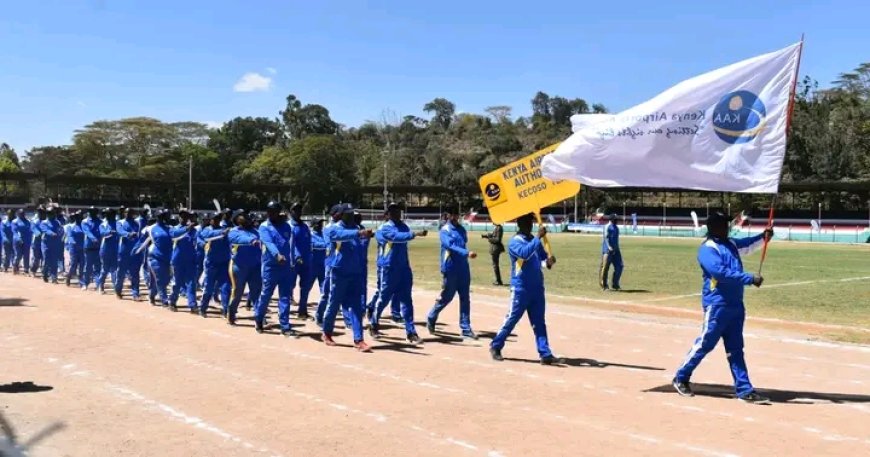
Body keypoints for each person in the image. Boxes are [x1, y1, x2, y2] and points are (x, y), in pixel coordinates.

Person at [672, 212, 773, 404]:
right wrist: (748, 278)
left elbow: (749, 244)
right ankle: (681, 377)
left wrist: (764, 237)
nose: (729, 227)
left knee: (736, 349)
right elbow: (720, 272)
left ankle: (744, 389)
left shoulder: (731, 244)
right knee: (705, 343)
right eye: (725, 225)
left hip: (736, 304)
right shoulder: (707, 249)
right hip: (717, 304)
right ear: (715, 227)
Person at [489, 213, 561, 365]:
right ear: (519, 225)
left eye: (530, 223)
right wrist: (538, 238)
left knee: (539, 322)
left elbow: (541, 260)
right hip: (521, 288)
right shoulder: (515, 242)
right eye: (526, 223)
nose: (529, 225)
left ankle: (545, 353)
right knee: (512, 319)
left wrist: (548, 262)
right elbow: (525, 254)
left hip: (537, 288)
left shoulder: (534, 241)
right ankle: (496, 345)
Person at [368, 202, 428, 343]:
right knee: (384, 298)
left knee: (407, 300)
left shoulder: (403, 226)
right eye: (394, 210)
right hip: (388, 268)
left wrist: (411, 233)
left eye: (399, 210)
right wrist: (415, 234)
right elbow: (396, 237)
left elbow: (403, 236)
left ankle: (410, 332)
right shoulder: (384, 228)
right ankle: (373, 324)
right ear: (388, 214)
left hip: (403, 268)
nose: (398, 213)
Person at [322, 205, 373, 351]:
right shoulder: (334, 228)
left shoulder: (356, 228)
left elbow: (361, 248)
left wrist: (365, 237)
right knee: (334, 303)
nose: (351, 216)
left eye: (352, 214)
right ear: (342, 215)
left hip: (355, 272)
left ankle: (359, 339)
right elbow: (340, 235)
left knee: (357, 306)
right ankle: (327, 332)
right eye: (348, 214)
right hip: (339, 272)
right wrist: (359, 233)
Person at [427, 205, 478, 339]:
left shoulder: (462, 230)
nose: (455, 217)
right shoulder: (445, 230)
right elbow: (450, 246)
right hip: (450, 268)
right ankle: (432, 316)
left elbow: (463, 243)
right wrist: (466, 253)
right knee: (447, 297)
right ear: (448, 215)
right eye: (453, 214)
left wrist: (465, 255)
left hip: (463, 268)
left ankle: (465, 328)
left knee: (465, 298)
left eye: (457, 214)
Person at [256, 201, 296, 336]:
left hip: (285, 266)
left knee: (285, 296)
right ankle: (259, 319)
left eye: (274, 211)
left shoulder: (286, 226)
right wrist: (277, 255)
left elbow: (289, 243)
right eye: (269, 211)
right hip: (270, 266)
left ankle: (285, 325)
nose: (271, 214)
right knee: (266, 295)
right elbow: (268, 242)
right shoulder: (264, 226)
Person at [315, 204, 349, 327]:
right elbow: (330, 245)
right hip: (330, 264)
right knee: (327, 293)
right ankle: (319, 316)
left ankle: (348, 320)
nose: (342, 215)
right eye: (340, 213)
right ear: (334, 214)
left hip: (341, 264)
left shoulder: (343, 226)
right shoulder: (329, 228)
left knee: (343, 293)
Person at [227, 210, 262, 326]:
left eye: (245, 216)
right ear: (236, 219)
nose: (244, 218)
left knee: (256, 292)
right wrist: (252, 241)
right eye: (241, 216)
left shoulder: (255, 231)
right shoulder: (233, 232)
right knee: (237, 292)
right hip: (238, 266)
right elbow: (239, 239)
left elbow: (262, 242)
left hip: (255, 267)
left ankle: (259, 316)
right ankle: (231, 313)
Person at [198, 212, 231, 318]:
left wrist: (227, 232)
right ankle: (203, 308)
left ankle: (226, 310)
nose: (216, 220)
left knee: (226, 287)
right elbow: (206, 236)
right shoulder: (207, 230)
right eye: (214, 218)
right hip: (211, 263)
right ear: (210, 220)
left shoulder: (224, 230)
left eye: (218, 218)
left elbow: (230, 241)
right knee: (208, 287)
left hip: (224, 263)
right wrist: (222, 232)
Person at [288, 202, 315, 320]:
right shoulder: (289, 226)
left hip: (307, 261)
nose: (298, 212)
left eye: (299, 210)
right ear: (291, 212)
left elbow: (309, 242)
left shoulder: (305, 227)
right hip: (294, 262)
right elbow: (290, 245)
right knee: (289, 285)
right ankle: (285, 310)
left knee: (305, 286)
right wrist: (295, 256)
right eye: (295, 210)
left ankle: (302, 310)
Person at [169, 210, 199, 313]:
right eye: (182, 216)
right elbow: (173, 235)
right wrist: (187, 228)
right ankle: (172, 301)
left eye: (186, 216)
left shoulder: (194, 231)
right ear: (179, 217)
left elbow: (198, 241)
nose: (184, 218)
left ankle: (192, 305)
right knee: (177, 283)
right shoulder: (174, 229)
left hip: (190, 261)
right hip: (178, 261)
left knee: (191, 284)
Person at [146, 209, 173, 308]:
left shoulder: (169, 228)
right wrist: (137, 249)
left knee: (166, 280)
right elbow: (142, 239)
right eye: (161, 216)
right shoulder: (151, 228)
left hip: (167, 258)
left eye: (164, 216)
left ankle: (152, 294)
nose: (163, 218)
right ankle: (164, 300)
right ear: (157, 217)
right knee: (160, 279)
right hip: (155, 258)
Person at [115, 207, 143, 301]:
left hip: (134, 252)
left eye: (129, 212)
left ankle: (135, 293)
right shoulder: (120, 222)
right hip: (123, 252)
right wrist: (128, 234)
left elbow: (140, 236)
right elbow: (119, 231)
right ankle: (118, 290)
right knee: (121, 273)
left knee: (135, 273)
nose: (127, 214)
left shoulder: (137, 223)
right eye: (126, 212)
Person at [96, 208, 120, 294]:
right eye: (107, 214)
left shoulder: (118, 223)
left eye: (110, 214)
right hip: (105, 249)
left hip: (116, 248)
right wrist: (110, 232)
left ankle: (116, 288)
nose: (109, 216)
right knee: (105, 269)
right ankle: (101, 286)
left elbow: (121, 232)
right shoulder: (103, 224)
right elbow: (103, 233)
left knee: (115, 269)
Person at [38, 207, 64, 284]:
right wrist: (52, 233)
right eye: (49, 213)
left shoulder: (57, 222)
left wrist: (59, 235)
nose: (51, 215)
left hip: (55, 244)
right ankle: (45, 274)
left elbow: (61, 230)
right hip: (46, 244)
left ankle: (54, 278)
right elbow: (45, 230)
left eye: (52, 213)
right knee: (46, 260)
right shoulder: (43, 222)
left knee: (54, 261)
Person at [81, 206, 103, 290]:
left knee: (98, 266)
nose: (93, 213)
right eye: (92, 211)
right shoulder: (85, 221)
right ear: (89, 212)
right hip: (89, 246)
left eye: (95, 212)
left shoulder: (100, 221)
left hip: (98, 247)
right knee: (88, 267)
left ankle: (98, 284)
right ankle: (85, 283)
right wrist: (93, 238)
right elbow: (87, 231)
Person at [599, 213, 623, 291]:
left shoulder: (616, 228)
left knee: (620, 266)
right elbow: (606, 237)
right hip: (607, 251)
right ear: (611, 219)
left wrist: (616, 249)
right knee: (605, 267)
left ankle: (615, 284)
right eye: (615, 219)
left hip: (616, 251)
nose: (617, 220)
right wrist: (609, 247)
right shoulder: (607, 227)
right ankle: (604, 285)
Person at [64, 211, 85, 287]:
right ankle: (68, 277)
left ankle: (81, 281)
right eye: (76, 217)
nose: (78, 218)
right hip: (74, 249)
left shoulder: (84, 226)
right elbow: (69, 235)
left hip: (82, 249)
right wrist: (73, 241)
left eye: (79, 217)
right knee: (73, 265)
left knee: (82, 266)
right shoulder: (71, 226)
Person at [310, 218, 328, 300]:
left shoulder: (324, 234)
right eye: (318, 224)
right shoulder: (310, 234)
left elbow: (329, 243)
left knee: (324, 285)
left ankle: (324, 302)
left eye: (321, 224)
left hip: (323, 264)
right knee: (308, 286)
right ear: (314, 225)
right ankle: (303, 306)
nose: (320, 225)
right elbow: (314, 245)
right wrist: (326, 246)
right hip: (312, 264)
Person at [12, 209, 33, 275]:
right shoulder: (14, 222)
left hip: (27, 241)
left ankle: (26, 269)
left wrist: (30, 239)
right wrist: (18, 239)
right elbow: (14, 231)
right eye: (21, 214)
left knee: (26, 255)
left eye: (23, 214)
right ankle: (15, 266)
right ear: (18, 214)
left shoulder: (28, 221)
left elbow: (30, 231)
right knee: (18, 255)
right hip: (18, 241)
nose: (22, 215)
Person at [29, 207, 47, 277]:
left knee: (44, 258)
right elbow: (33, 229)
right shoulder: (34, 221)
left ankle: (44, 271)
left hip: (45, 243)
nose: (41, 214)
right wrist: (39, 233)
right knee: (36, 258)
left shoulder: (46, 221)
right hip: (36, 242)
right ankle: (33, 270)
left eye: (42, 212)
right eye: (40, 212)